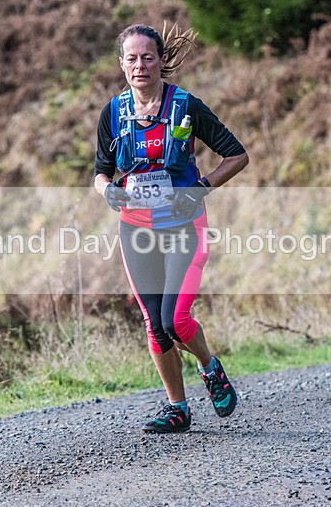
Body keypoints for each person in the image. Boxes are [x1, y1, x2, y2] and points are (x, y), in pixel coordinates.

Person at [94, 24, 249, 433]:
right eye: (131, 58)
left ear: (162, 61)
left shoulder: (186, 106)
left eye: (148, 57)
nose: (140, 65)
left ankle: (209, 367)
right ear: (122, 64)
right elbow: (100, 173)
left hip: (183, 227)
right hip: (136, 231)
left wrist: (200, 188)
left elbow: (236, 155)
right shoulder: (113, 112)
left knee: (176, 320)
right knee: (154, 324)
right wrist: (107, 192)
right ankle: (177, 408)